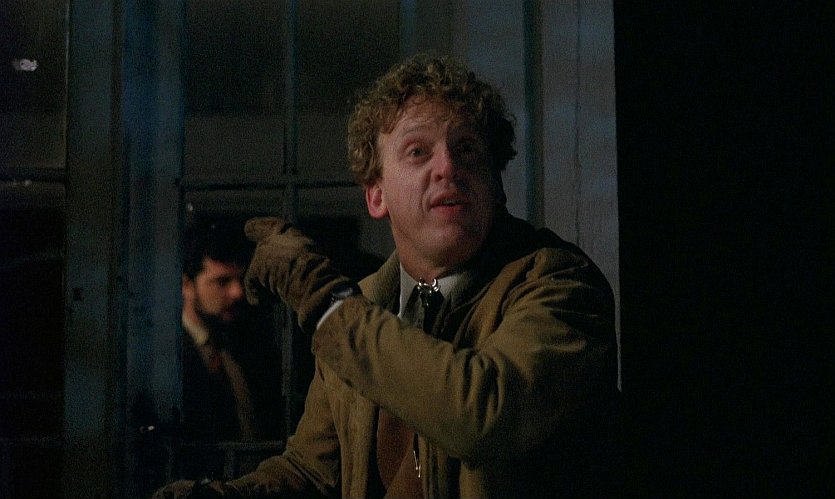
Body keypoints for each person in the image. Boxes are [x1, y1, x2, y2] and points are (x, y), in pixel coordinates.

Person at [155, 53, 619, 498]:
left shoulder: (558, 282)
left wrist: (324, 303)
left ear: (495, 185)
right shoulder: (361, 304)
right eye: (418, 151)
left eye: (467, 149)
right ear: (376, 195)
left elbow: (484, 416)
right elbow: (315, 471)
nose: (448, 168)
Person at [177, 217, 283, 477]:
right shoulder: (171, 357)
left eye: (240, 280)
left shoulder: (250, 346)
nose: (237, 293)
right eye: (222, 281)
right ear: (187, 285)